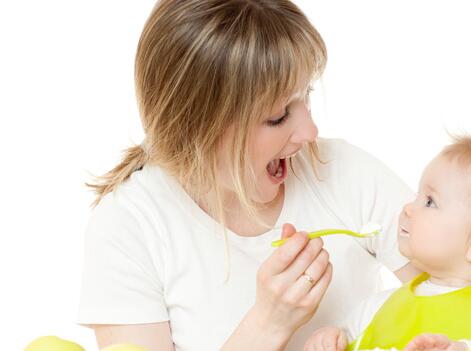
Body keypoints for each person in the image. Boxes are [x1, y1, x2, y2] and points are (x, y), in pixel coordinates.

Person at [76, 1, 418, 350]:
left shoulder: (341, 170)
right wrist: (268, 325)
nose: (309, 131)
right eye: (279, 115)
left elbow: (461, 288)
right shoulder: (131, 225)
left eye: (306, 96)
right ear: (197, 127)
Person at [304, 135, 471, 351]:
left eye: (429, 202)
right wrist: (331, 340)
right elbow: (349, 341)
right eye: (418, 196)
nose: (408, 208)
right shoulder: (377, 307)